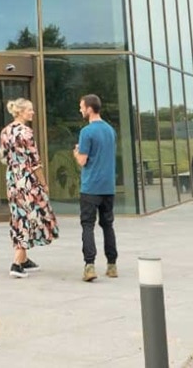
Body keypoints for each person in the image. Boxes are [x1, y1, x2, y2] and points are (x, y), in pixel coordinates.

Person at [0, 98, 59, 278]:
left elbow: (2, 157)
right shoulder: (26, 132)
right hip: (27, 179)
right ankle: (17, 262)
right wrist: (43, 183)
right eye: (30, 110)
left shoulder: (5, 131)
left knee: (19, 215)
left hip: (12, 178)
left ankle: (24, 259)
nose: (32, 112)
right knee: (29, 216)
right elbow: (35, 162)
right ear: (21, 112)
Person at [72, 94, 118, 282]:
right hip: (108, 187)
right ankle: (112, 265)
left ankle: (89, 265)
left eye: (82, 107)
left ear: (90, 108)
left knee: (87, 225)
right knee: (108, 225)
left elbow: (83, 160)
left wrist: (76, 152)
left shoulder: (87, 132)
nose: (80, 110)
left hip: (91, 186)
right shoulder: (110, 130)